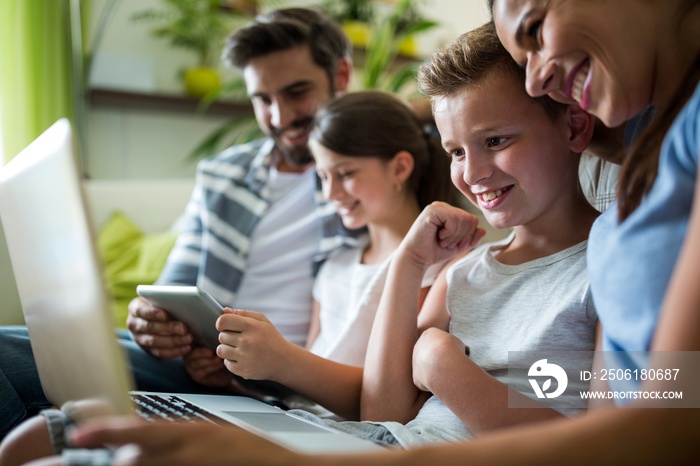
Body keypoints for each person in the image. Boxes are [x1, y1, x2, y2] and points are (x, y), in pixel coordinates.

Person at [45, 1, 698, 464]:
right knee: (65, 437)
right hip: (374, 442)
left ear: (574, 127)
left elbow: (629, 423)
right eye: (457, 152)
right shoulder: (469, 272)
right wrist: (411, 263)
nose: (472, 171)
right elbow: (382, 410)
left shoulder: (602, 260)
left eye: (496, 140)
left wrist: (443, 367)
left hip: (393, 450)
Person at [0, 6, 362, 439]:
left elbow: (444, 119)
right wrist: (149, 322)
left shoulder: (370, 174)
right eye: (262, 100)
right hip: (199, 366)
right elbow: (172, 288)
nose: (280, 117)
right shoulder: (223, 175)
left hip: (283, 378)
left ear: (341, 75)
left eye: (297, 92)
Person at [183, 90, 458, 421]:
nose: (331, 193)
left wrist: (283, 360)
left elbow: (393, 399)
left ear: (399, 168)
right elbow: (306, 389)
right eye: (324, 177)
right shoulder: (335, 264)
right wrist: (235, 379)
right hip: (296, 419)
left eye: (345, 174)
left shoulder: (437, 270)